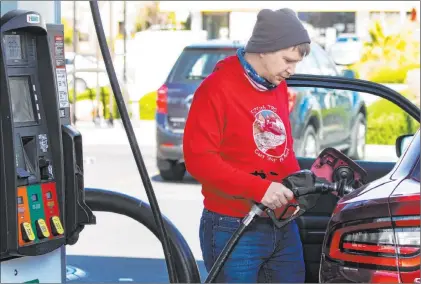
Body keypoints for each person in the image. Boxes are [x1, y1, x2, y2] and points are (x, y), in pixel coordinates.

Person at [183, 8, 311, 283]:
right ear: (264, 49)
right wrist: (259, 189)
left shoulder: (276, 86)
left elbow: (278, 149)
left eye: (296, 63)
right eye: (287, 60)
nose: (291, 69)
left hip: (282, 222)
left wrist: (298, 184)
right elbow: (199, 160)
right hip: (232, 223)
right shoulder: (216, 88)